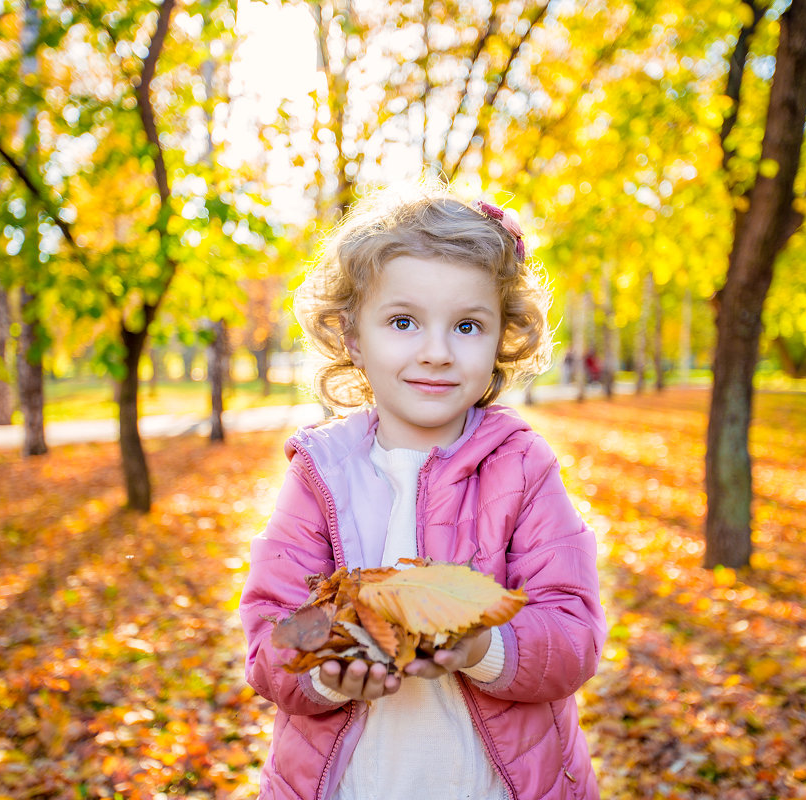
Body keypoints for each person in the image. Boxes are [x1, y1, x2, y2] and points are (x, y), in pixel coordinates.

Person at [240, 185, 607, 800]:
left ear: (500, 340)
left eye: (467, 325)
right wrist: (331, 672)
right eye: (403, 321)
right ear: (354, 336)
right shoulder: (319, 473)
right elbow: (269, 640)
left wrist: (486, 645)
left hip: (498, 783)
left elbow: (573, 634)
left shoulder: (521, 467)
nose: (436, 353)